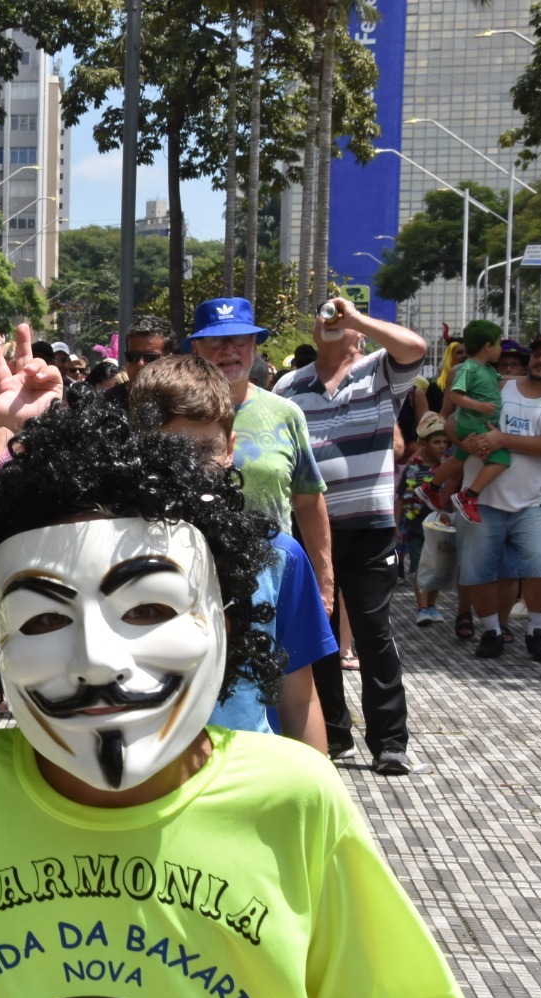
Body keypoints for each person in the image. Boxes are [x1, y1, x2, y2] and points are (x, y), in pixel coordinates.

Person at [0, 400, 465, 998]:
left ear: (224, 620)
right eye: (43, 620)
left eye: (146, 609)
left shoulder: (294, 798)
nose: (96, 661)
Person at [129, 355, 331, 753]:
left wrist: (320, 783)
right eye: (168, 449)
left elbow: (299, 699)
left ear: (229, 449)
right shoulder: (103, 546)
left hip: (250, 773)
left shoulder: (278, 557)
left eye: (206, 449)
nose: (188, 468)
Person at [274, 297, 429, 774]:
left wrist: (358, 318)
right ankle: (332, 733)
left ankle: (390, 742)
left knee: (373, 632)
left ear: (362, 333)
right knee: (317, 632)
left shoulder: (379, 372)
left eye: (345, 320)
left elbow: (415, 347)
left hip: (369, 527)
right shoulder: (288, 386)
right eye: (325, 317)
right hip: (308, 528)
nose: (334, 323)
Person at [184, 297, 334, 615]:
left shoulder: (286, 413)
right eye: (216, 340)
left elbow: (308, 501)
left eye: (240, 339)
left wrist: (324, 582)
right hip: (193, 585)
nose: (229, 350)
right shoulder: (176, 416)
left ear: (254, 347)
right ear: (196, 348)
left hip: (275, 583)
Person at [447, 336, 541, 660]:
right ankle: (491, 631)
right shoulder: (500, 387)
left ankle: (537, 630)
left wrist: (503, 439)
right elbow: (452, 422)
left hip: (534, 500)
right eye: (538, 354)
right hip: (481, 500)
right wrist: (465, 442)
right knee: (477, 570)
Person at [447, 320, 511, 525]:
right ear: (488, 346)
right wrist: (479, 406)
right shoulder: (468, 368)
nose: (501, 349)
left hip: (475, 422)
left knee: (459, 455)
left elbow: (507, 380)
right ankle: (468, 495)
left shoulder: (488, 369)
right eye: (499, 344)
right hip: (474, 422)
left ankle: (432, 487)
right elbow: (455, 395)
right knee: (501, 459)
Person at [404, 411, 454, 626]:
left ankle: (432, 605)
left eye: (444, 442)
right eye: (436, 442)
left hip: (440, 525)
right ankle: (422, 607)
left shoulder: (449, 466)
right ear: (424, 443)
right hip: (417, 524)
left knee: (438, 566)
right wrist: (397, 525)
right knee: (421, 566)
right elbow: (401, 496)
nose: (441, 446)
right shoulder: (413, 467)